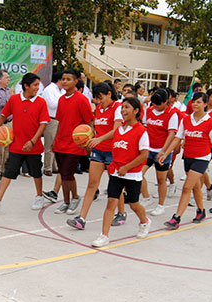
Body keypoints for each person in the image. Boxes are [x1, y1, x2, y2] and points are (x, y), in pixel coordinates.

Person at [0, 73, 50, 213]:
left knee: (36, 173)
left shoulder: (41, 102)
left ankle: (39, 196)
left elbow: (42, 125)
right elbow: (3, 116)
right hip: (16, 145)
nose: (37, 88)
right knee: (8, 173)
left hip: (34, 147)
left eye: (38, 85)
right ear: (26, 86)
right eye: (35, 85)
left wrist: (32, 141)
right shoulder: (14, 99)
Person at [92, 97, 151, 247]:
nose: (123, 110)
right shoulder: (120, 129)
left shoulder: (141, 131)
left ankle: (144, 222)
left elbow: (144, 155)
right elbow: (111, 134)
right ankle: (104, 235)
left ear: (136, 111)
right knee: (111, 202)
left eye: (127, 107)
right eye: (122, 107)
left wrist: (127, 167)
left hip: (132, 174)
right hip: (117, 173)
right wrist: (98, 140)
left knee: (134, 204)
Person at [160, 92, 212, 228]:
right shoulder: (186, 120)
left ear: (205, 104)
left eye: (199, 102)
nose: (195, 104)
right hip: (188, 157)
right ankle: (201, 210)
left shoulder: (211, 123)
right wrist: (166, 153)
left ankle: (176, 218)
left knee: (187, 187)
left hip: (202, 159)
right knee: (196, 187)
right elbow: (177, 138)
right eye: (194, 101)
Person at [66, 82, 122, 230]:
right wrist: (87, 140)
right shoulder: (98, 108)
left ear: (109, 94)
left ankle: (121, 213)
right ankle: (81, 218)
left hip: (112, 151)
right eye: (96, 98)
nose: (99, 101)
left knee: (115, 185)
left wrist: (99, 139)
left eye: (100, 97)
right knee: (92, 184)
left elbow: (116, 130)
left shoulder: (117, 108)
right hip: (99, 150)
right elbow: (97, 129)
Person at [51, 69, 94, 215]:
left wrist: (89, 142)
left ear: (76, 82)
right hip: (60, 142)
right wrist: (55, 140)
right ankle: (66, 201)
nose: (65, 81)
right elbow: (60, 122)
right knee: (63, 174)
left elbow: (89, 122)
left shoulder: (82, 99)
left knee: (68, 174)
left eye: (68, 79)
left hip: (75, 144)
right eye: (63, 79)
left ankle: (75, 197)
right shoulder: (62, 100)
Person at [139, 89, 179, 216]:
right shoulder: (150, 110)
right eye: (154, 104)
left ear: (166, 102)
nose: (156, 107)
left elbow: (171, 134)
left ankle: (161, 205)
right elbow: (144, 127)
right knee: (138, 174)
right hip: (149, 149)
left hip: (162, 151)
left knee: (161, 179)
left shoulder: (172, 114)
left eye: (159, 105)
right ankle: (146, 198)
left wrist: (164, 151)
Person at [41, 70, 64, 176]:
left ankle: (55, 166)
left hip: (60, 120)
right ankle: (47, 167)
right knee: (49, 144)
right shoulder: (49, 89)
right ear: (59, 80)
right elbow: (52, 104)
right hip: (51, 119)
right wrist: (63, 100)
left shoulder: (61, 90)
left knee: (57, 144)